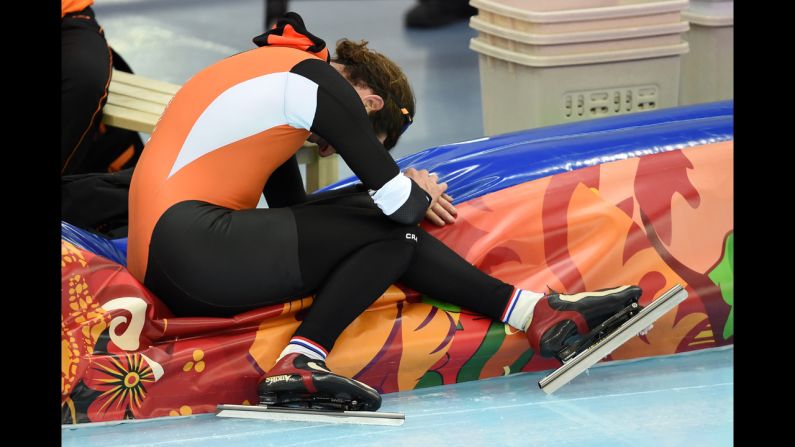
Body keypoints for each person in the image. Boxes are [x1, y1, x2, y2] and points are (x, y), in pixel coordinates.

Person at [127, 12, 641, 411]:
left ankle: (533, 312)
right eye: (372, 143)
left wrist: (390, 197)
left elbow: (299, 215)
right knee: (395, 233)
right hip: (194, 247)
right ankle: (304, 358)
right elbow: (395, 206)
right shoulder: (321, 86)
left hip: (166, 254)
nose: (326, 152)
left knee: (383, 233)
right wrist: (411, 187)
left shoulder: (270, 76)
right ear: (369, 104)